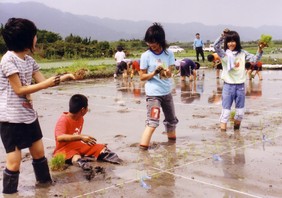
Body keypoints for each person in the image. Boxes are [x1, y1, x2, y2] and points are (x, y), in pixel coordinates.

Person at [0, 18, 75, 194]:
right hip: (10, 118)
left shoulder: (29, 60)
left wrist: (63, 77)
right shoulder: (7, 60)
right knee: (14, 161)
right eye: (35, 36)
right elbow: (19, 89)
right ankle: (10, 194)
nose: (36, 39)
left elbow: (42, 81)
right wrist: (49, 82)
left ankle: (45, 188)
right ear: (26, 39)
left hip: (28, 115)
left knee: (39, 153)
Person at [53, 94, 122, 179]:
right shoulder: (63, 120)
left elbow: (76, 135)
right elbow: (60, 137)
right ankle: (85, 167)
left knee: (99, 148)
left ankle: (116, 161)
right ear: (83, 110)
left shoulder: (80, 118)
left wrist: (82, 138)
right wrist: (81, 137)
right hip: (63, 149)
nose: (87, 109)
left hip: (77, 145)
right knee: (75, 156)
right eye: (87, 107)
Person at [213, 29, 264, 133]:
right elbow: (216, 46)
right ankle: (223, 136)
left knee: (240, 113)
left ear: (237, 42)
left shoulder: (242, 53)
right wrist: (222, 36)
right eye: (229, 41)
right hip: (228, 87)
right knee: (226, 112)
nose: (231, 43)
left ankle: (237, 132)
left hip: (240, 87)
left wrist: (259, 49)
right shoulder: (224, 54)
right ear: (226, 43)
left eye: (233, 41)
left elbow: (254, 60)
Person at [139, 23, 178, 150]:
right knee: (153, 122)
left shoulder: (169, 54)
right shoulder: (146, 56)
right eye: (149, 42)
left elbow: (169, 73)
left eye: (153, 42)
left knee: (171, 120)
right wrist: (154, 73)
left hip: (166, 92)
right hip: (153, 94)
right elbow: (142, 77)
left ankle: (172, 147)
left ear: (160, 40)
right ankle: (143, 150)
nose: (151, 45)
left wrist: (166, 72)